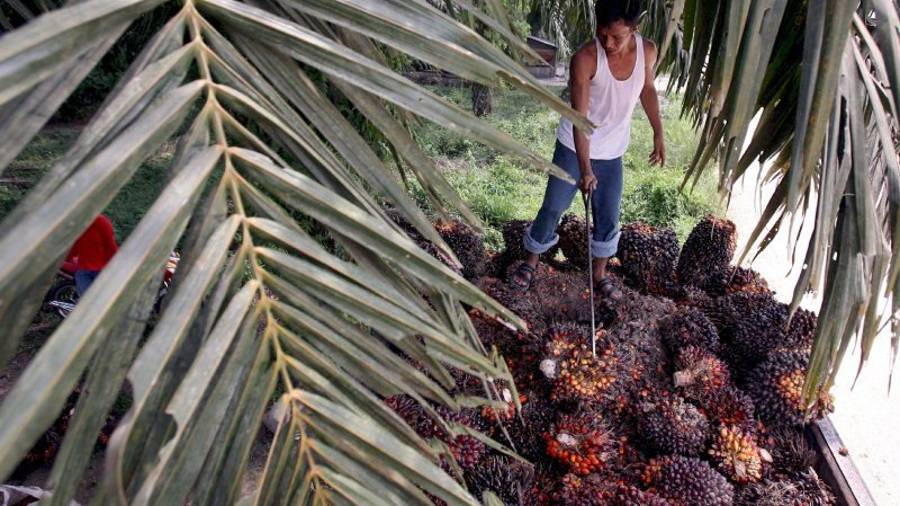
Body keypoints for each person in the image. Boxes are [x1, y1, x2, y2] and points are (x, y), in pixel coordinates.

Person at [510, 0, 664, 300]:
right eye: (602, 33)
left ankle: (599, 275)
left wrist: (659, 132)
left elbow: (646, 88)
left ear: (634, 30)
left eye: (616, 37)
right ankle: (529, 262)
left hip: (612, 150)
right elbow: (580, 120)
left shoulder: (647, 51)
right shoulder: (586, 58)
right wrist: (585, 169)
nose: (607, 42)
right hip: (574, 146)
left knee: (608, 214)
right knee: (553, 206)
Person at [65, 214, 118, 296]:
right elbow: (75, 245)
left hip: (102, 270)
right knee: (86, 300)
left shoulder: (101, 221)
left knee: (102, 298)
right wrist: (66, 258)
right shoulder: (78, 223)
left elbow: (110, 244)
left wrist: (116, 265)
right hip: (83, 270)